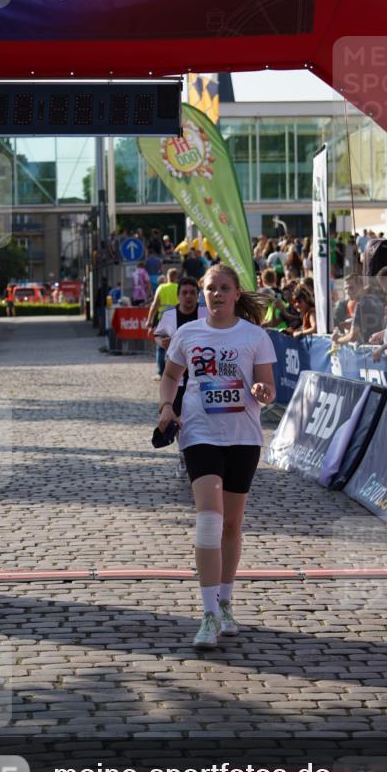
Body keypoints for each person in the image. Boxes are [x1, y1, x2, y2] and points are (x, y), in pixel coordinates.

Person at [156, 263, 276, 649]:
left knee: (231, 525)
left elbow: (268, 388)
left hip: (243, 436)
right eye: (211, 289)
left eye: (225, 288)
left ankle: (226, 603)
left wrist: (262, 391)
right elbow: (172, 376)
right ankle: (207, 614)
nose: (217, 294)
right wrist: (165, 406)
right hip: (200, 433)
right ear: (202, 294)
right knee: (209, 520)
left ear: (237, 294)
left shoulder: (255, 336)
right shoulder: (187, 333)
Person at [154, 276, 209, 477]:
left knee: (196, 416)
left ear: (198, 296)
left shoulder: (205, 313)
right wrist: (163, 342)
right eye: (184, 293)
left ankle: (193, 452)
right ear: (178, 296)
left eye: (192, 293)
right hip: (177, 376)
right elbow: (157, 334)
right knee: (177, 417)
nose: (188, 297)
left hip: (200, 375)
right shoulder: (170, 316)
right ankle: (183, 453)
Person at [331, 274, 385, 345]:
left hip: (370, 350)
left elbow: (353, 337)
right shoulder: (374, 299)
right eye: (346, 289)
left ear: (361, 286)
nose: (347, 291)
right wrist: (353, 324)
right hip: (376, 348)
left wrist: (337, 340)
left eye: (351, 288)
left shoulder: (361, 304)